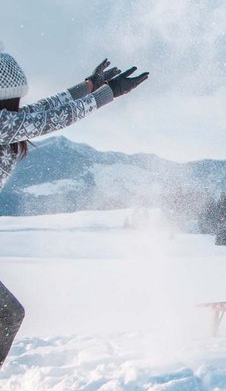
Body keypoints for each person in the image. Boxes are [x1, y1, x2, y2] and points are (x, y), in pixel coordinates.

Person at [0, 51, 148, 368]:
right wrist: (108, 94)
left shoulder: (7, 122)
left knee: (8, 315)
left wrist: (89, 85)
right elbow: (50, 119)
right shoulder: (2, 123)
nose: (19, 104)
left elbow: (42, 110)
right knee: (8, 314)